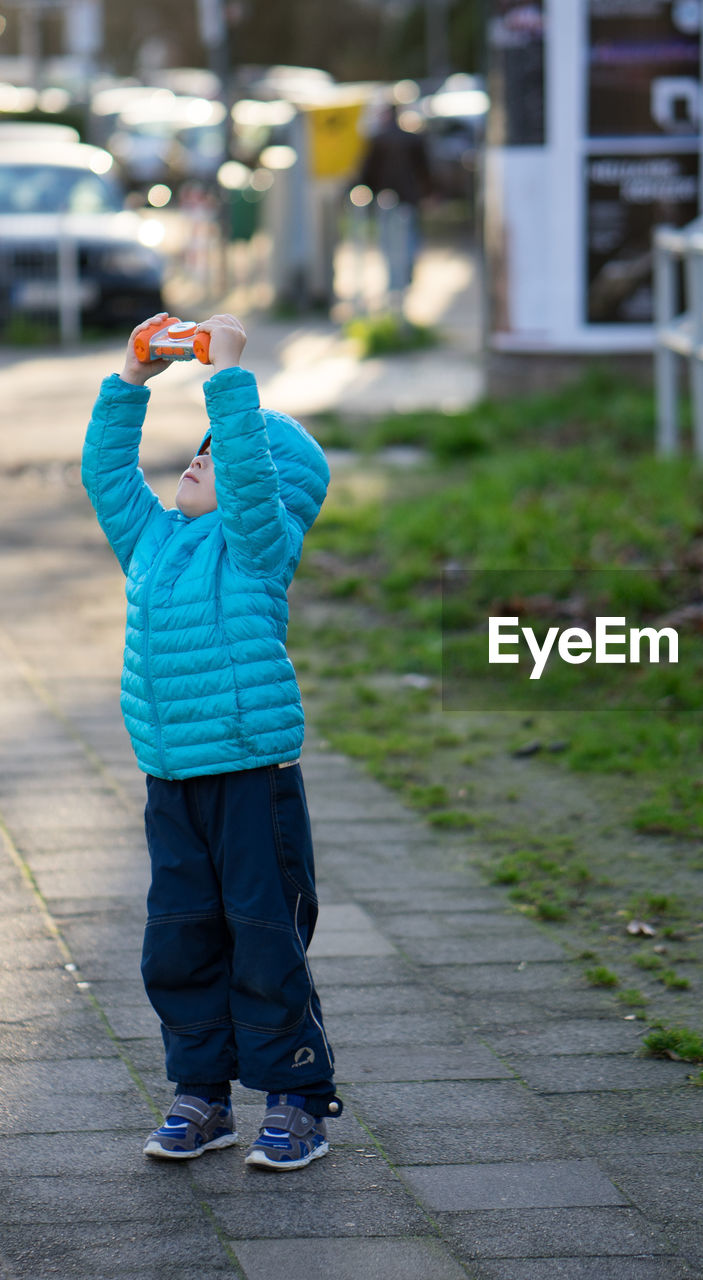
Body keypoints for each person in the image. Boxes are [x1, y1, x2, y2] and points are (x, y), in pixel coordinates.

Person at [81, 312, 339, 1171]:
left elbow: (255, 489)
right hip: (173, 779)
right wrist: (131, 379)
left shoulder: (259, 550)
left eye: (218, 453)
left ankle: (298, 1097)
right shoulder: (154, 543)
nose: (199, 457)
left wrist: (228, 382)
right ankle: (202, 1094)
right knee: (180, 943)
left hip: (249, 778)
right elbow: (108, 474)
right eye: (200, 447)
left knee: (264, 937)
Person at [355, 103, 433, 303]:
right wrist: (429, 192)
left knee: (388, 241)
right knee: (409, 237)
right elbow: (425, 170)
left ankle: (395, 281)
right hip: (408, 196)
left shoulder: (379, 139)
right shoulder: (411, 138)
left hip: (386, 197)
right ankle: (404, 273)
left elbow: (367, 172)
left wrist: (366, 191)